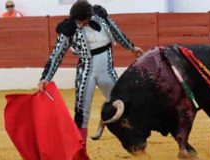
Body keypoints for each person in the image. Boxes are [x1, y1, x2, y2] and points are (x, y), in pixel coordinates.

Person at [38, 0, 143, 146]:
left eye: (82, 21)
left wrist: (130, 47)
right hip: (86, 73)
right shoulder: (69, 28)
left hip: (107, 70)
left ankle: (135, 142)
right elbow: (56, 55)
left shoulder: (100, 15)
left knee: (122, 105)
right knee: (81, 112)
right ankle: (80, 150)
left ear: (90, 15)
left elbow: (115, 31)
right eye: (77, 21)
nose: (79, 24)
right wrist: (45, 78)